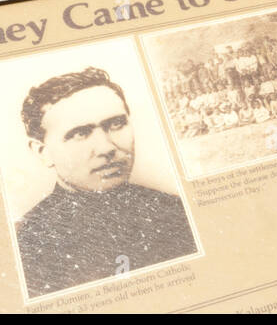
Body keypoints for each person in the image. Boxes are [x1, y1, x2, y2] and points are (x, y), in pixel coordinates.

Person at [14, 67, 196, 299]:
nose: (107, 147)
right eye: (80, 133)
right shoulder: (28, 243)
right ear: (43, 152)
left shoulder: (176, 211)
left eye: (116, 124)